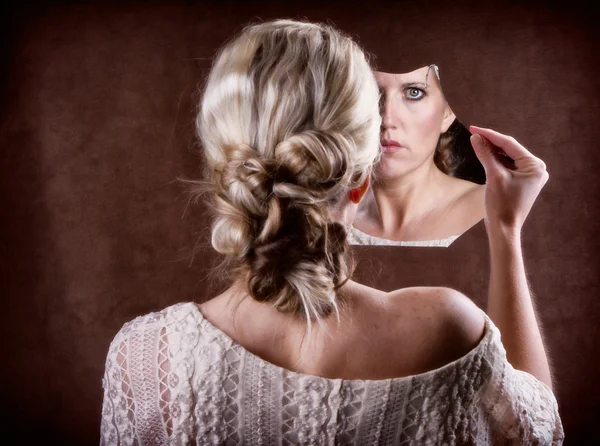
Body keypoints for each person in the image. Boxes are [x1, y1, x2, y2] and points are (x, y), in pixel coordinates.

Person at [100, 19, 564, 445]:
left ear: (224, 169)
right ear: (363, 178)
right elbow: (538, 431)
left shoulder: (144, 359)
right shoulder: (447, 328)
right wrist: (505, 230)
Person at [350, 66, 486, 246]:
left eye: (414, 93)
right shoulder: (316, 213)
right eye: (371, 92)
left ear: (447, 112)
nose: (387, 119)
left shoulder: (492, 206)